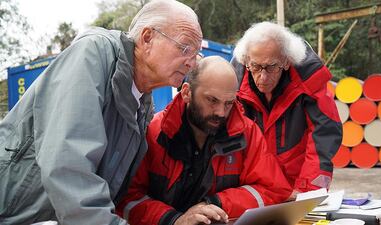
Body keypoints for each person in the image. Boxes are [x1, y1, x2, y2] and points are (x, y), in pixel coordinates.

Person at [0, 1, 202, 224]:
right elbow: (69, 168)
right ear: (147, 38)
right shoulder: (93, 54)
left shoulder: (143, 103)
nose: (192, 64)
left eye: (196, 54)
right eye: (185, 48)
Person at [116, 56, 292, 225]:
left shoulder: (248, 133)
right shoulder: (153, 132)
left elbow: (275, 190)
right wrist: (174, 220)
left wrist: (216, 204)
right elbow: (126, 198)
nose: (221, 112)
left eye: (229, 103)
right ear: (186, 93)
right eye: (212, 100)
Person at [231, 22, 342, 198]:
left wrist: (307, 192)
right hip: (255, 184)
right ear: (246, 61)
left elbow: (324, 133)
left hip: (299, 182)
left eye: (271, 67)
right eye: (256, 67)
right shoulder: (232, 85)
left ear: (286, 61)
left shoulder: (310, 80)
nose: (263, 76)